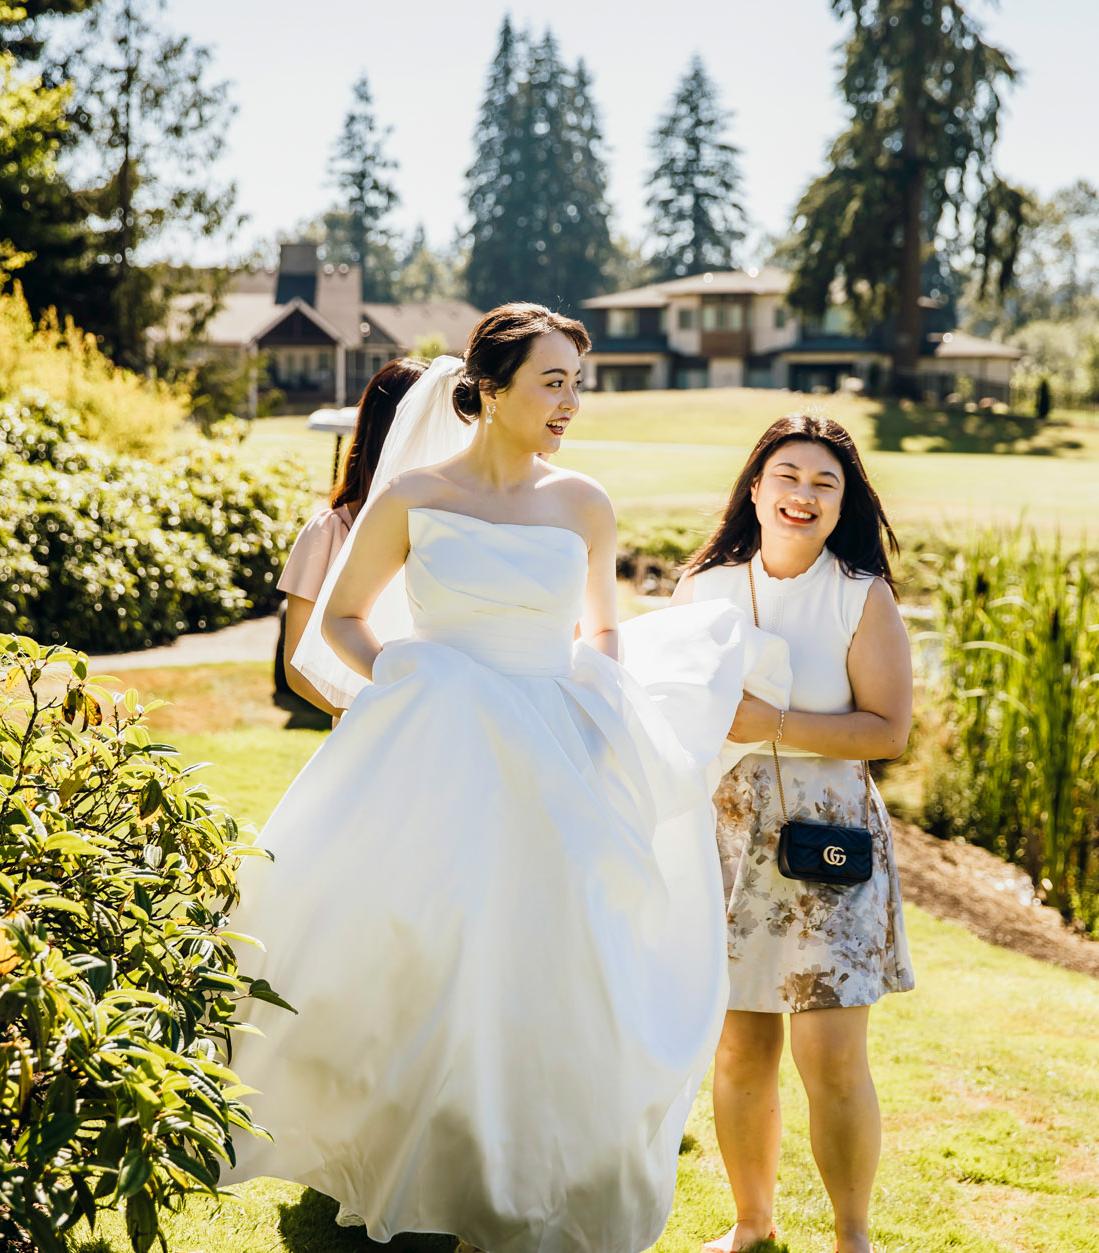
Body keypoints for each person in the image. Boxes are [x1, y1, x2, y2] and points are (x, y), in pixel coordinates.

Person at [221, 307, 787, 1253]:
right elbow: (343, 623)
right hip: (436, 744)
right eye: (551, 380)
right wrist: (414, 675)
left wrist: (597, 708)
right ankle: (408, 1144)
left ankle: (521, 1170)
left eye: (576, 380)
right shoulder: (411, 494)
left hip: (548, 742)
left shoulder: (584, 503)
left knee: (547, 954)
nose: (570, 401)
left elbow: (600, 631)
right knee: (427, 946)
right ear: (489, 387)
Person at [670, 415, 916, 1253]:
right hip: (727, 841)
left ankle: (854, 1238)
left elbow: (887, 730)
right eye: (788, 475)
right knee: (740, 1046)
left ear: (845, 502)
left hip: (828, 841)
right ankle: (752, 1225)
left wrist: (774, 721)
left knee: (831, 1052)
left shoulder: (860, 594)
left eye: (825, 482)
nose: (803, 495)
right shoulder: (702, 590)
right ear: (755, 486)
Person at [278, 357, 427, 718]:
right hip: (367, 730)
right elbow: (298, 666)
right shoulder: (327, 533)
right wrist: (371, 716)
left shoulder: (455, 528)